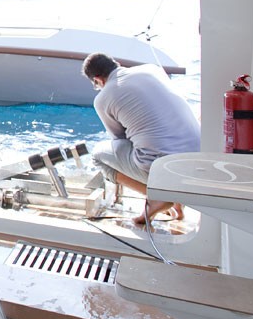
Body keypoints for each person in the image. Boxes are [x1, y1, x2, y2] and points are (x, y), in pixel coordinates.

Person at [81, 52, 200, 227]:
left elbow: (120, 139)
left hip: (164, 166)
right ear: (116, 63)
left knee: (98, 156)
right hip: (198, 155)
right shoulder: (151, 69)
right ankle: (175, 203)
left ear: (98, 80)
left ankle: (157, 198)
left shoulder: (103, 98)